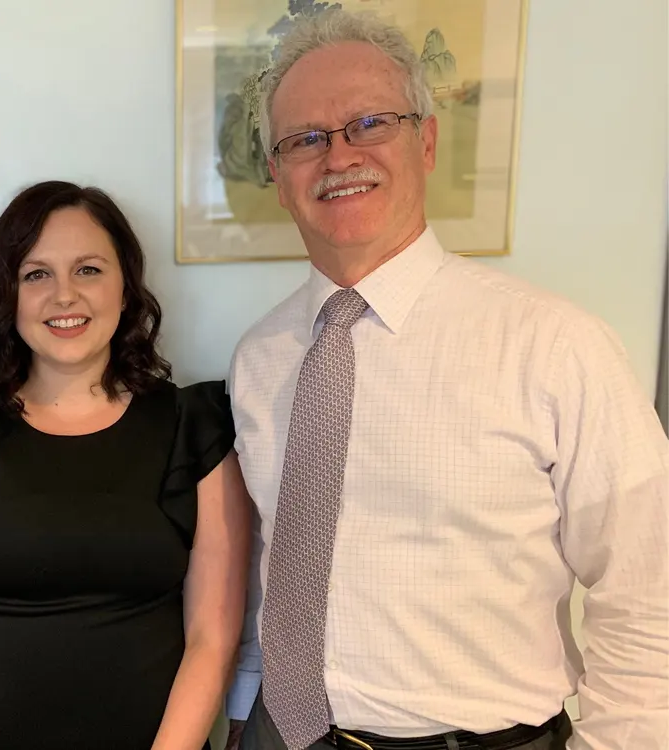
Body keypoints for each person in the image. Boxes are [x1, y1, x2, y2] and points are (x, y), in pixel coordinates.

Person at [225, 9, 669, 750]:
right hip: (283, 734)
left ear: (425, 141)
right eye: (305, 139)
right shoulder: (259, 358)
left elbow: (650, 588)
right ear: (277, 173)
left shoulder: (555, 346)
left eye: (369, 123)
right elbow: (272, 570)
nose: (337, 157)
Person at [0, 180, 252, 750]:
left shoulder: (192, 428)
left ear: (126, 287)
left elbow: (212, 639)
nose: (64, 296)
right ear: (8, 295)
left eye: (88, 269)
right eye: (36, 274)